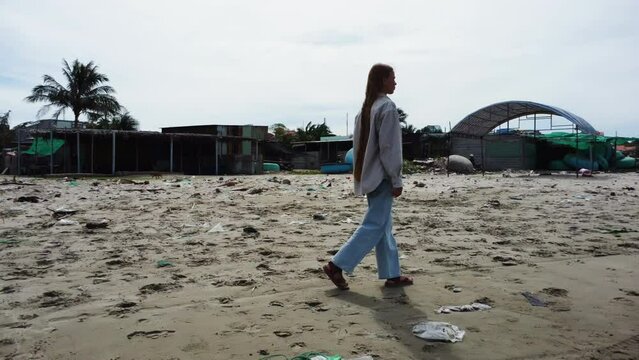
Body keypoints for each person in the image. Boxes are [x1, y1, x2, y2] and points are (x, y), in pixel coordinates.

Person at [323, 63, 413, 290]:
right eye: (393, 78)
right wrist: (396, 178)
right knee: (375, 224)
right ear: (382, 80)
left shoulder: (365, 109)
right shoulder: (387, 108)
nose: (395, 82)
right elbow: (389, 148)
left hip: (369, 174)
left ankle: (392, 274)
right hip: (382, 175)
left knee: (383, 225)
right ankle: (336, 264)